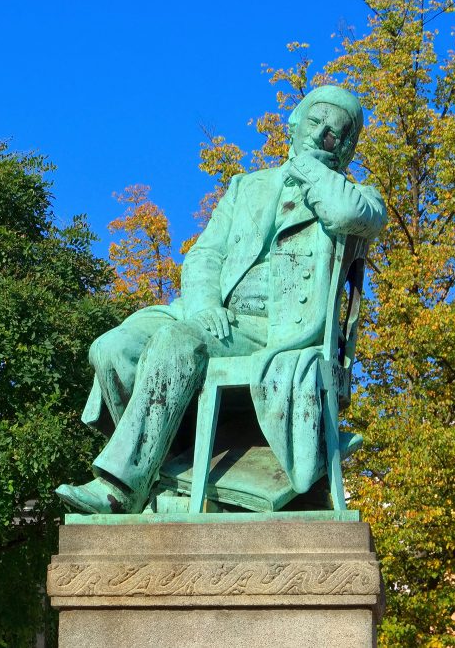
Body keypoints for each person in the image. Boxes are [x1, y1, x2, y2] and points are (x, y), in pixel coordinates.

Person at [56, 85, 387, 514]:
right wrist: (203, 306)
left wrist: (309, 168)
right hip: (212, 314)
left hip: (274, 332)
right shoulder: (244, 188)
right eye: (314, 121)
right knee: (111, 348)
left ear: (344, 148)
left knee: (177, 342)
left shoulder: (359, 197)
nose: (320, 134)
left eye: (333, 132)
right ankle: (166, 472)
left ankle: (119, 489)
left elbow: (346, 215)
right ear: (294, 124)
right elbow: (205, 255)